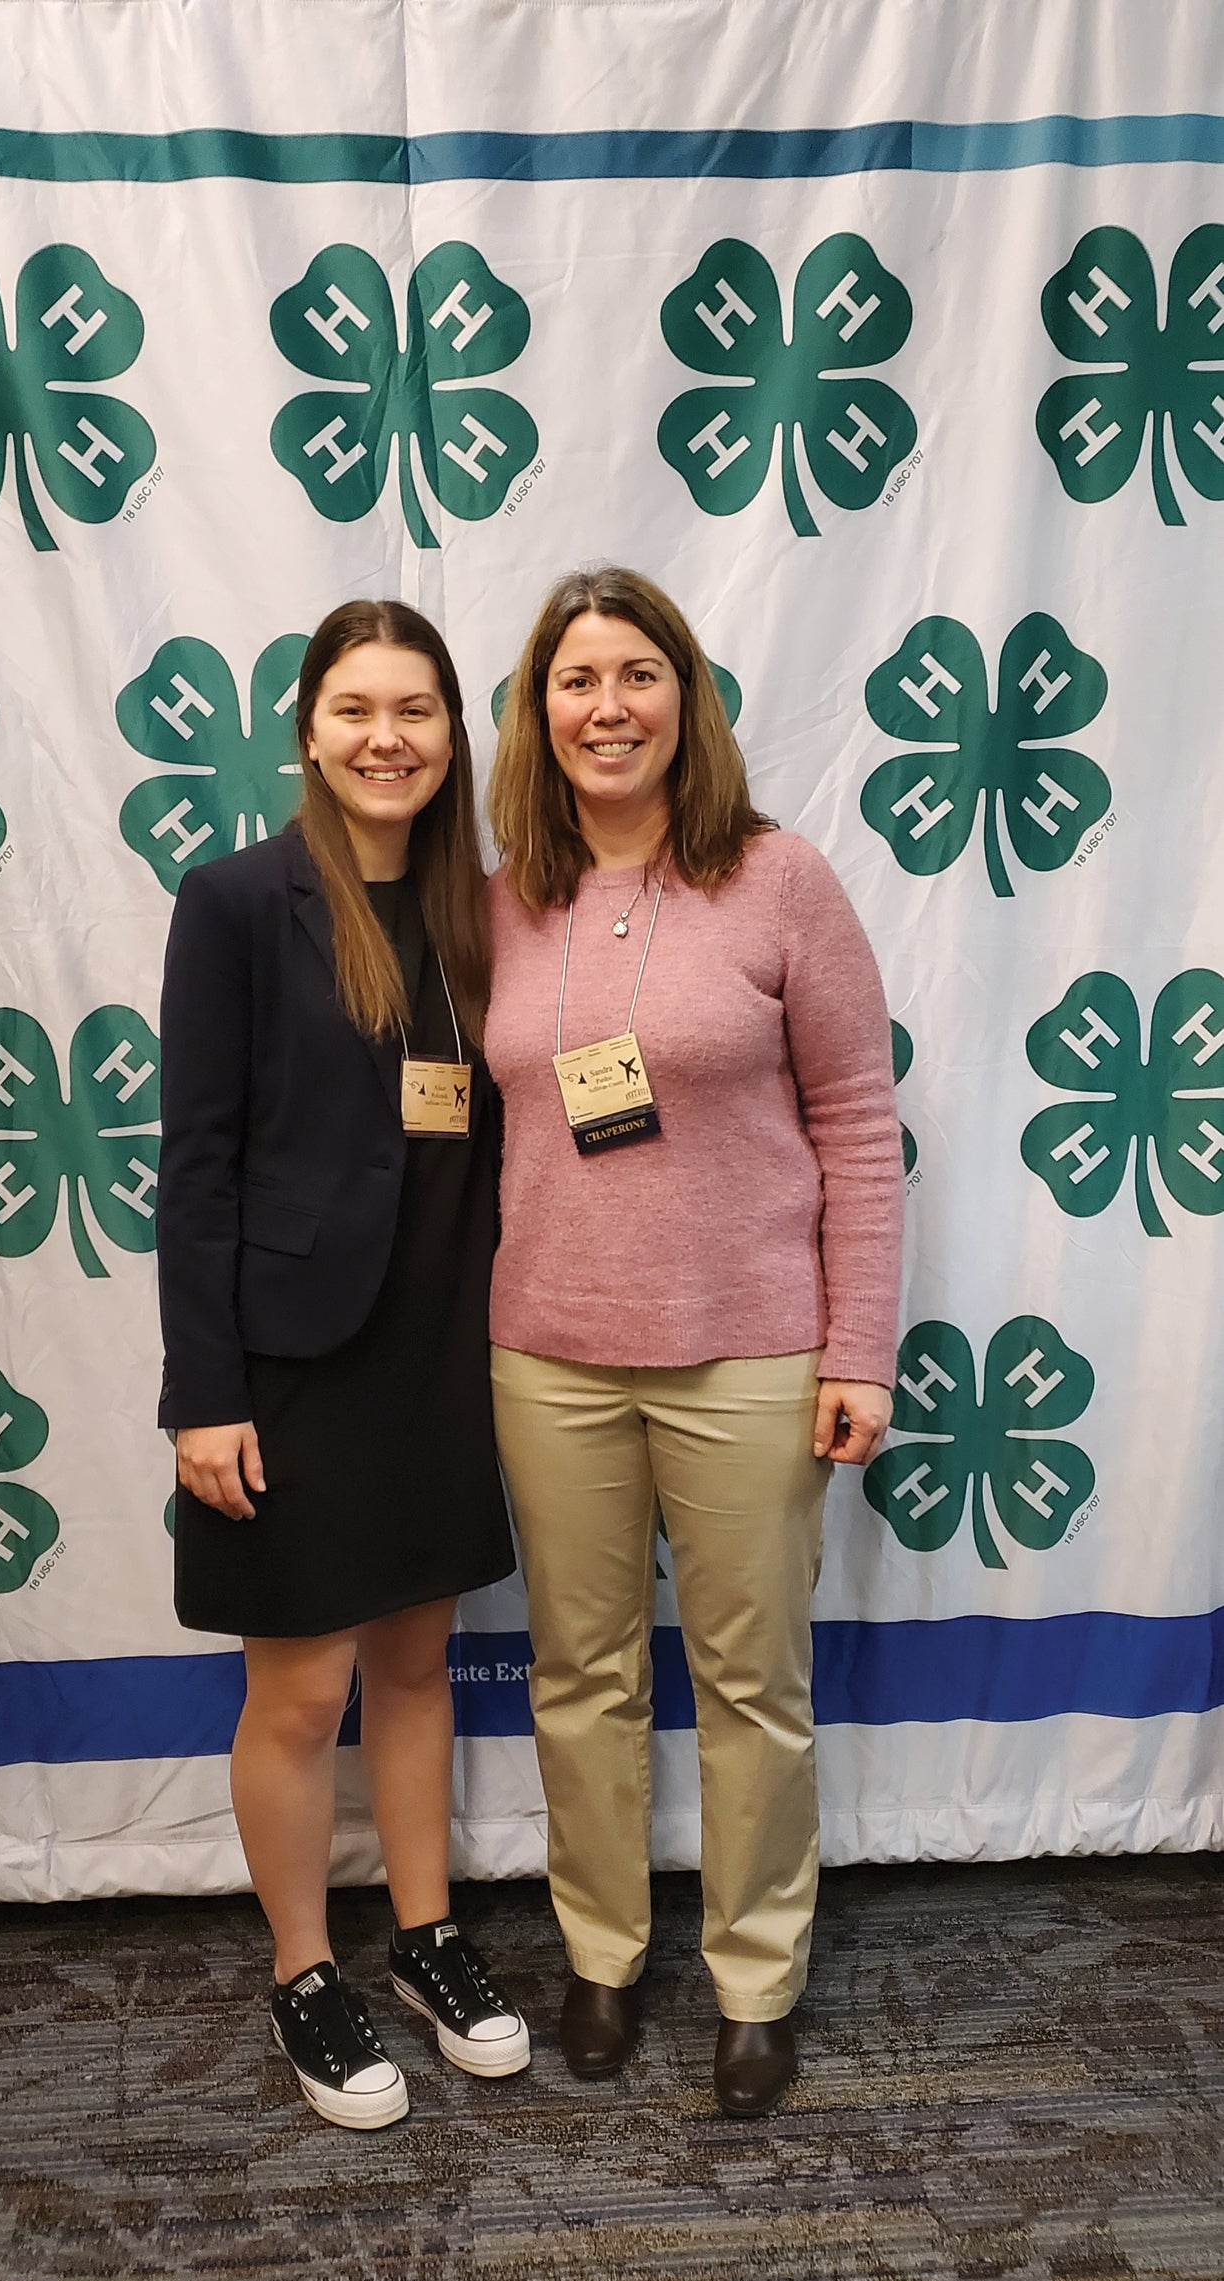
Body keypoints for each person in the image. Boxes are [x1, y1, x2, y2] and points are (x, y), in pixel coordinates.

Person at [485, 566, 903, 2116]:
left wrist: (856, 1348)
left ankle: (753, 1979)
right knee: (578, 1677)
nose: (607, 707)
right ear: (540, 712)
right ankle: (599, 1955)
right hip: (547, 1354)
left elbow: (859, 1126)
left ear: (687, 698)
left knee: (749, 1682)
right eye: (575, 680)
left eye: (637, 674)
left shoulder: (781, 882)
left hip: (747, 1352)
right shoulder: (499, 898)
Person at [157, 599, 528, 2131]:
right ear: (308, 726)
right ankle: (306, 1969)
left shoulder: (487, 913)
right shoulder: (239, 900)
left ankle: (429, 1937)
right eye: (358, 708)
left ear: (453, 738)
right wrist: (205, 1390)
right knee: (300, 1695)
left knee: (417, 1668)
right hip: (289, 1361)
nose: (388, 737)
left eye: (418, 711)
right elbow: (196, 1161)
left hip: (442, 1346)